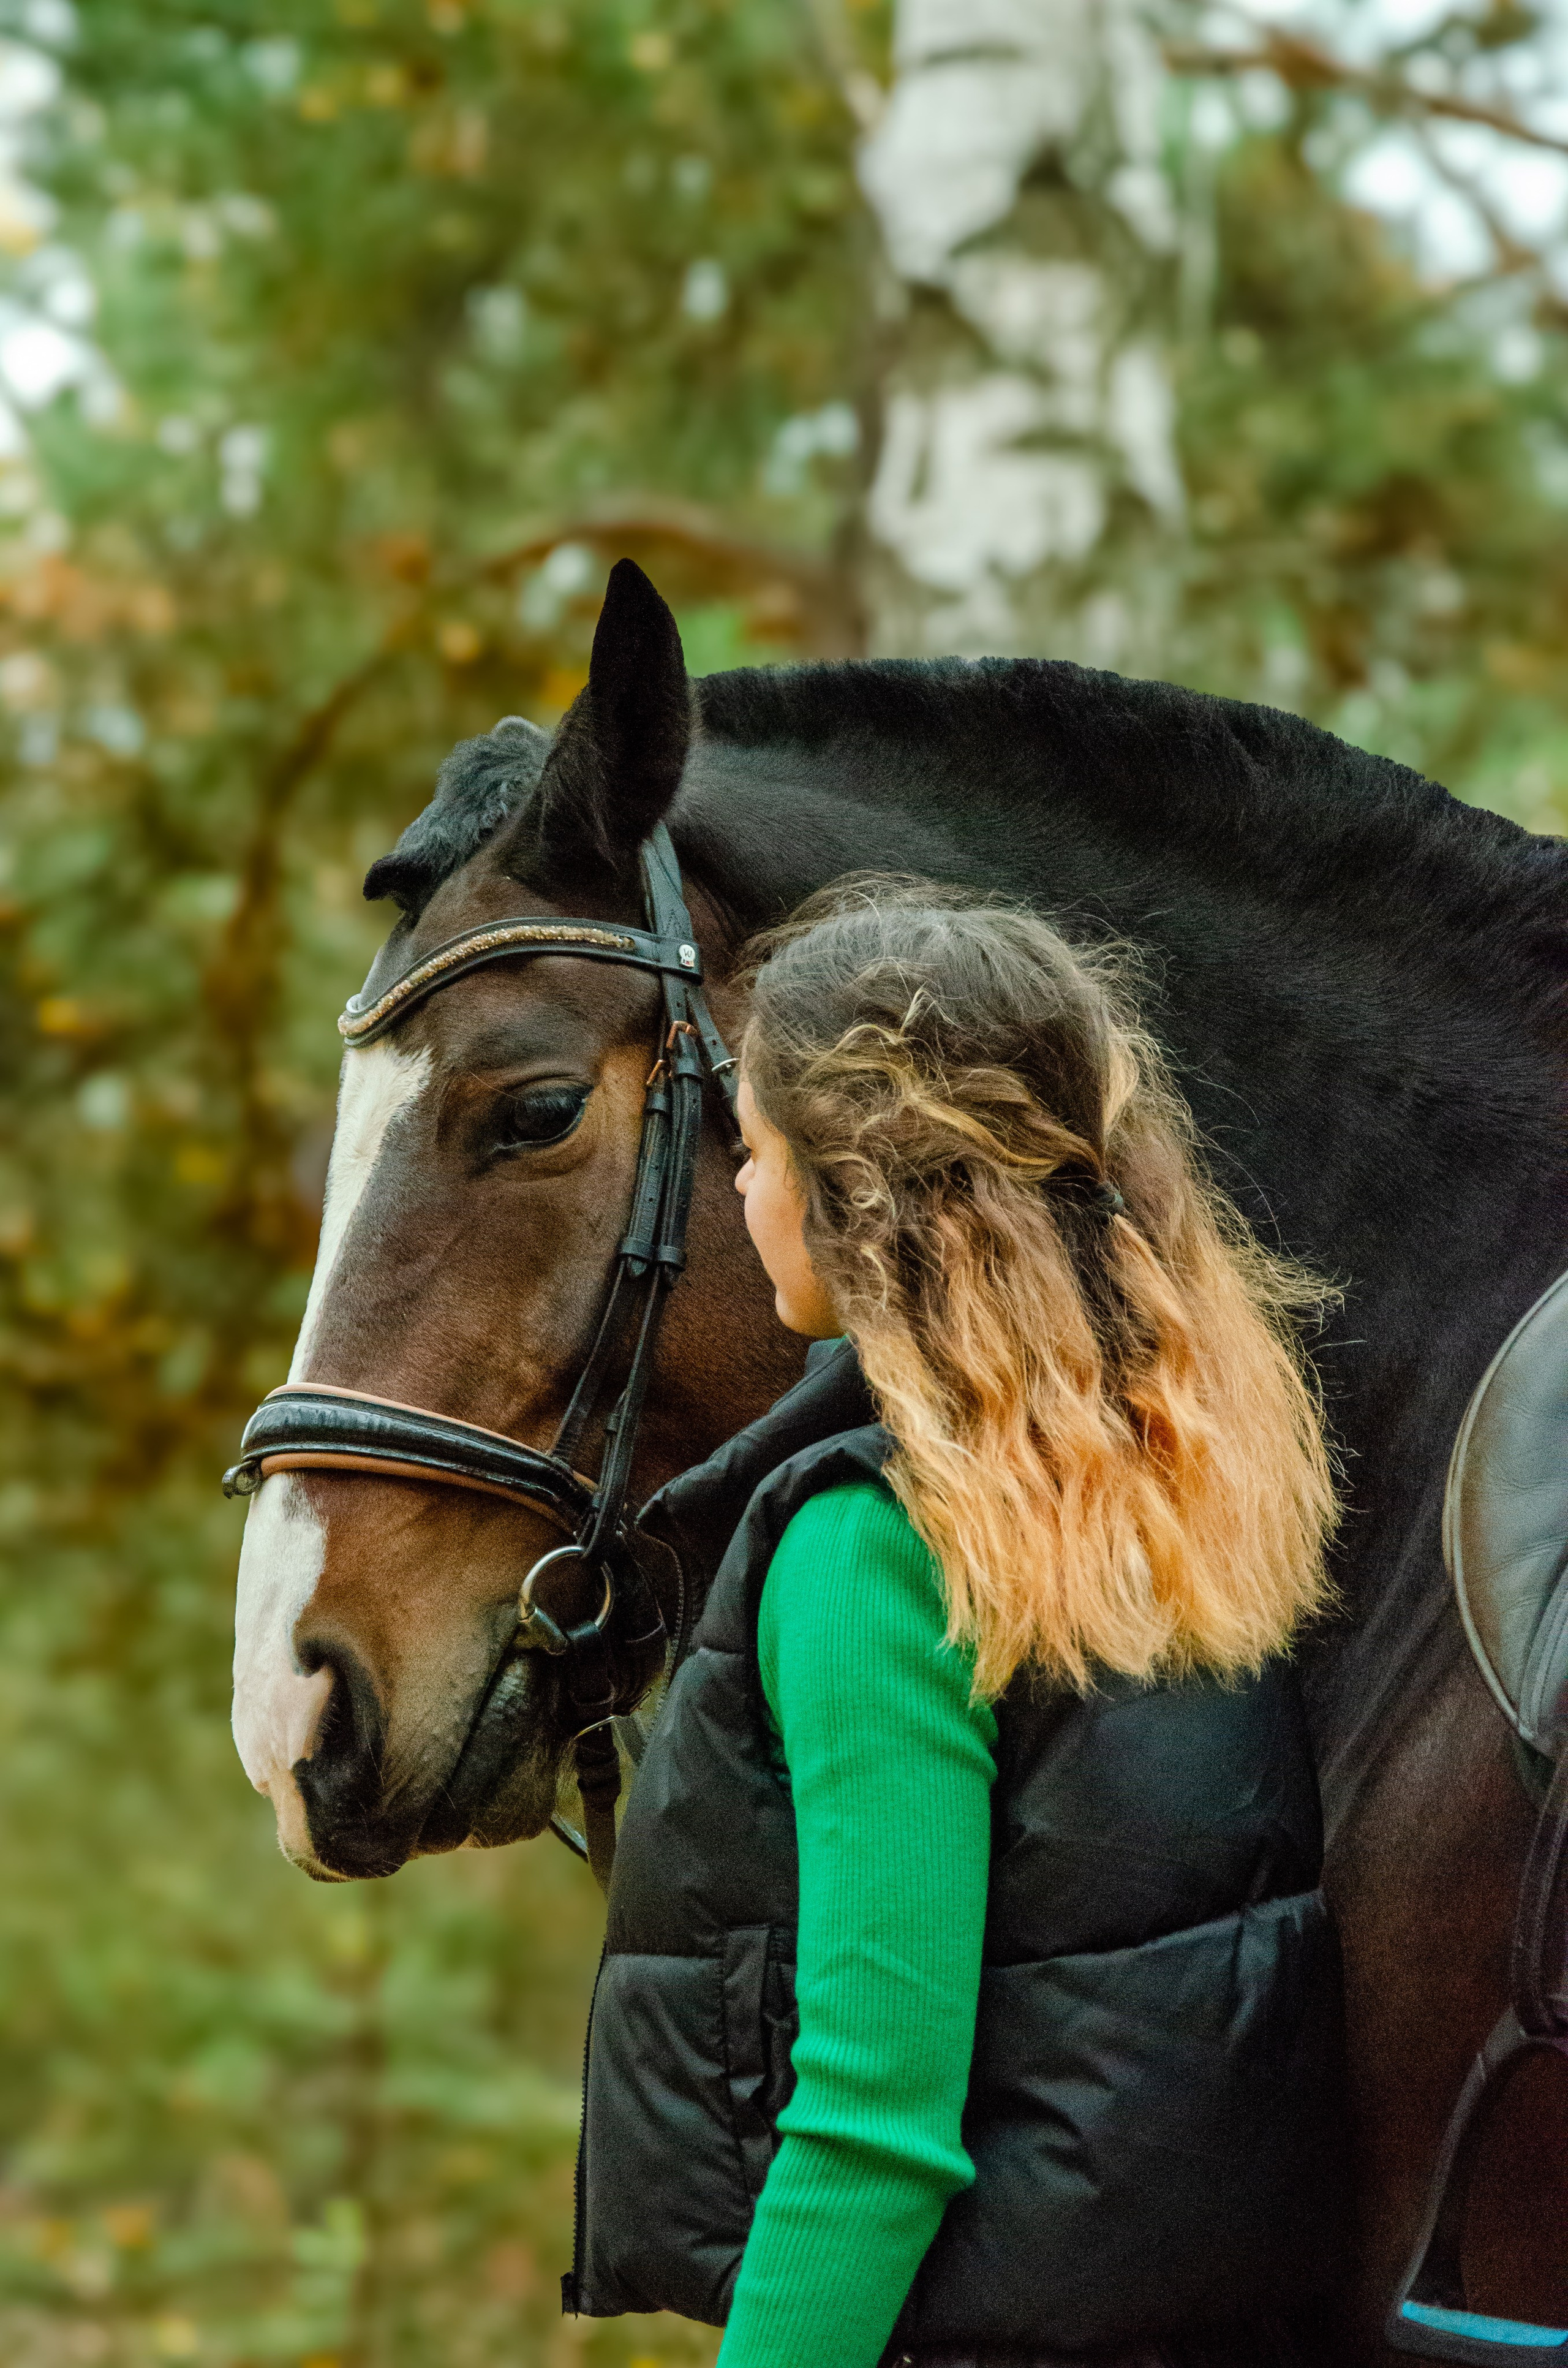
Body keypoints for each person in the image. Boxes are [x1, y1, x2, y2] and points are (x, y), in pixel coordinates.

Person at [564, 883, 1349, 2368]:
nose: (738, 1185)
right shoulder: (1189, 1486)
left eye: (760, 1143)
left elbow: (873, 2126)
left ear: (851, 1184)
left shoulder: (876, 1547)